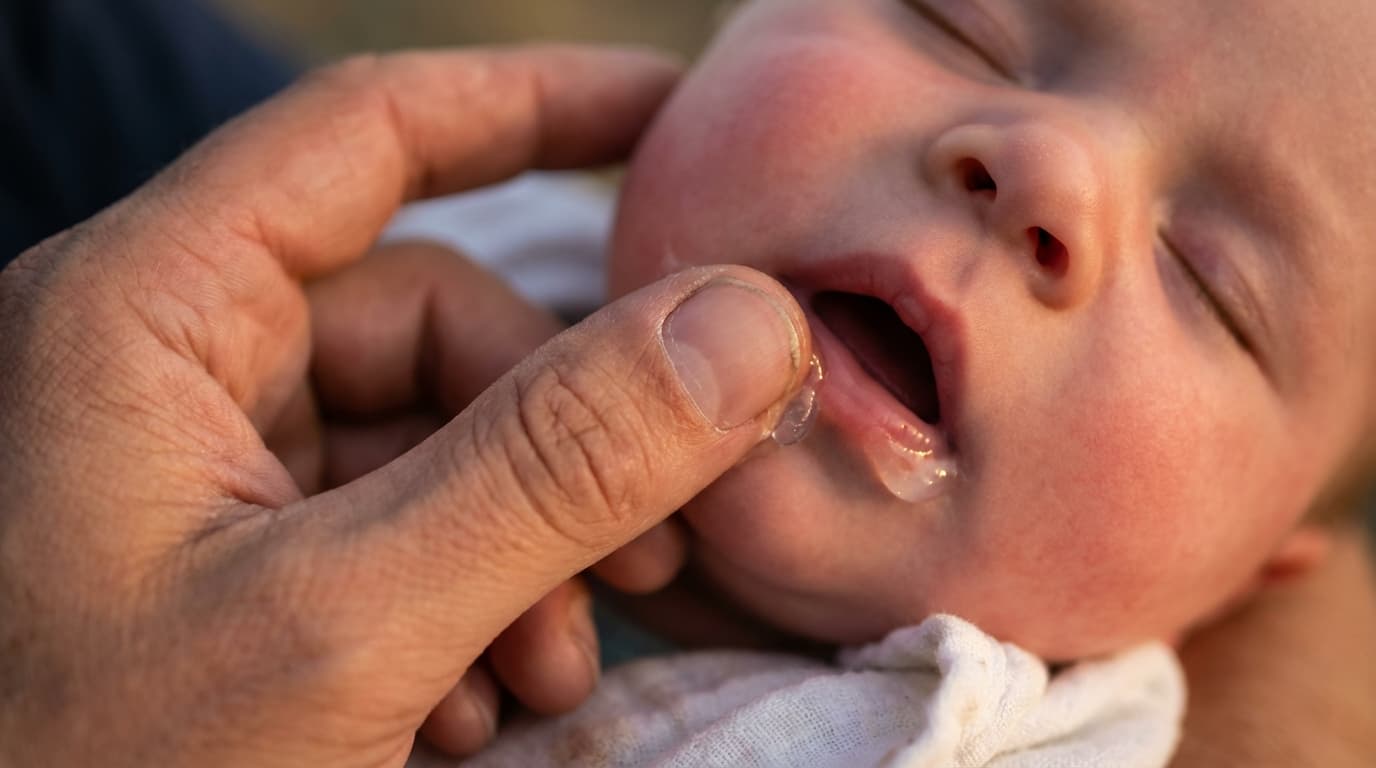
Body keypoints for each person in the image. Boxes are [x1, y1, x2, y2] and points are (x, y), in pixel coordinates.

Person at [0, 4, 1371, 768]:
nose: (1043, 166)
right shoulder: (266, 308)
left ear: (1256, 576)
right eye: (969, 27)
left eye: (1213, 282)